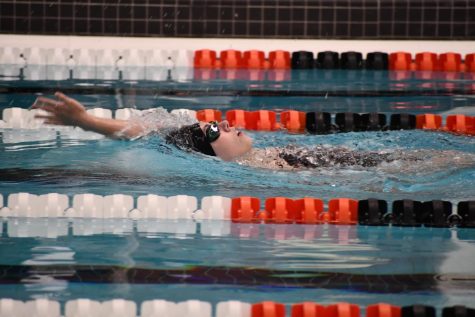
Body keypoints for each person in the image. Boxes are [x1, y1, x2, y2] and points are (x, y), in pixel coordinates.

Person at [32, 92, 475, 171]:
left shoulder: (262, 161)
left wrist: (88, 121)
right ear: (210, 156)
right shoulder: (280, 170)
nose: (228, 124)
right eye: (215, 130)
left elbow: (146, 130)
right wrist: (86, 122)